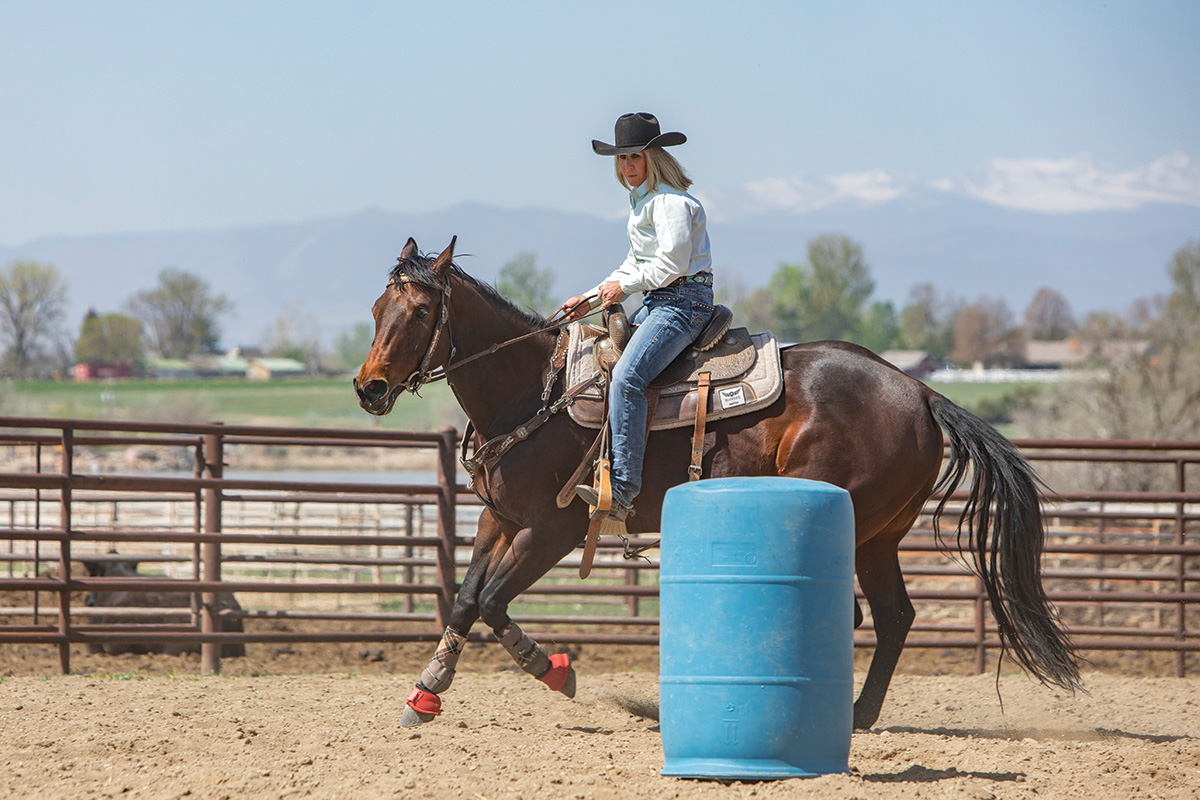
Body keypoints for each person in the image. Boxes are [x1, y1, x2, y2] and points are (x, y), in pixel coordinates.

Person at [561, 112, 715, 522]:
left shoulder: (671, 203)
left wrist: (622, 290)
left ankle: (623, 492)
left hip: (684, 302)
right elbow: (633, 264)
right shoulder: (644, 203)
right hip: (660, 299)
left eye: (635, 157)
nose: (627, 166)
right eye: (621, 159)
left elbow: (673, 262)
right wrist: (593, 296)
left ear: (654, 158)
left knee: (628, 376)